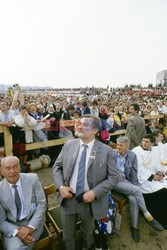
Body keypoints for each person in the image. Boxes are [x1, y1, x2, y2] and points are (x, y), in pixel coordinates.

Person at [53, 114, 121, 250]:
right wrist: (60, 186)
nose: (79, 126)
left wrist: (95, 193)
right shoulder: (68, 145)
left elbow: (114, 177)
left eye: (85, 125)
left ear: (95, 130)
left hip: (90, 203)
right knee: (68, 235)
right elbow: (57, 167)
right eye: (79, 123)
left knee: (87, 233)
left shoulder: (107, 151)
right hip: (68, 200)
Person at [112, 136, 164, 242]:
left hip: (126, 181)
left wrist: (134, 184)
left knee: (133, 200)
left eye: (121, 145)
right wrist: (134, 187)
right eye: (117, 144)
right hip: (114, 181)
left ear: (127, 146)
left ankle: (134, 227)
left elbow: (134, 173)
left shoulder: (131, 155)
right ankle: (148, 215)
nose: (118, 147)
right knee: (137, 190)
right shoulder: (112, 154)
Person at [0, 156, 46, 250]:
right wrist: (18, 232)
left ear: (20, 167)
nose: (12, 171)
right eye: (8, 168)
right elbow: (1, 221)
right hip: (12, 226)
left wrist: (30, 228)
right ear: (1, 171)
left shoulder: (33, 179)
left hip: (33, 222)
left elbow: (42, 204)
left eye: (15, 166)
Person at [132, 134, 167, 229]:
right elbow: (138, 169)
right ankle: (160, 218)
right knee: (162, 192)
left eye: (147, 142)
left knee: (165, 187)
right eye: (143, 140)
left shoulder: (154, 151)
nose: (144, 143)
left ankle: (164, 216)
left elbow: (156, 164)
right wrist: (153, 177)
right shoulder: (136, 151)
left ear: (152, 143)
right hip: (143, 180)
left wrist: (159, 172)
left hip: (153, 176)